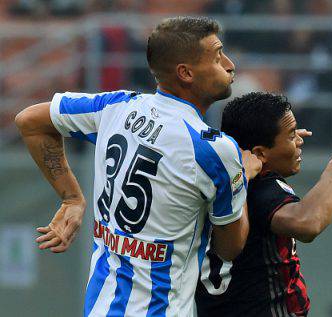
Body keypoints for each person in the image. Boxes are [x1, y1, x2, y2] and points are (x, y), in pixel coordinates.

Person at [15, 17, 262, 317]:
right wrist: (242, 178)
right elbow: (230, 247)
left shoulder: (116, 107)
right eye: (217, 55)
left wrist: (71, 197)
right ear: (185, 73)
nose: (229, 64)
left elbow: (29, 120)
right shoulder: (214, 150)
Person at [195, 92, 332, 317]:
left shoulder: (219, 177)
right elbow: (307, 222)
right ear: (259, 153)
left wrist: (284, 140)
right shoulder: (261, 187)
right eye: (291, 134)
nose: (299, 141)